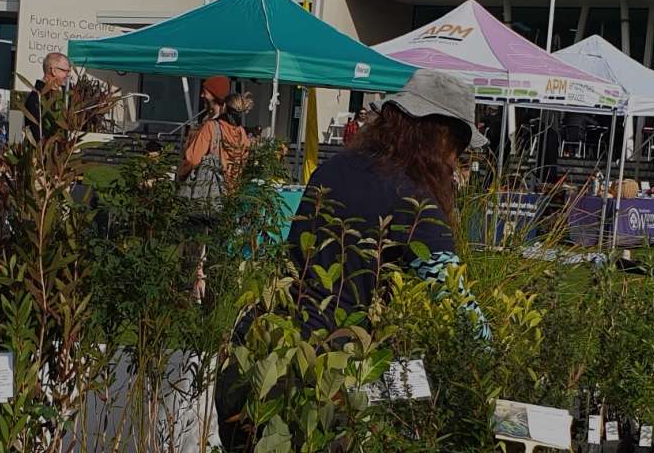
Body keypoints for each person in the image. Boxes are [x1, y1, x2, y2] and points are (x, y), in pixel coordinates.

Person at [287, 68, 488, 321]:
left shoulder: (330, 170)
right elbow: (457, 305)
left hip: (281, 335)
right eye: (460, 147)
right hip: (346, 347)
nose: (456, 160)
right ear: (443, 138)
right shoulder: (415, 198)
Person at [176, 75, 249, 197]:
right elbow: (244, 159)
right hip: (232, 192)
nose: (202, 95)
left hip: (208, 193)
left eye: (205, 92)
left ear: (215, 94)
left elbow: (192, 158)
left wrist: (180, 174)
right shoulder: (240, 131)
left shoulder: (211, 127)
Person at [24, 51, 70, 142]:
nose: (68, 75)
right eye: (65, 71)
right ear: (53, 70)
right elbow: (38, 135)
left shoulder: (60, 96)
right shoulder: (37, 98)